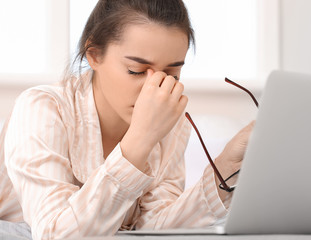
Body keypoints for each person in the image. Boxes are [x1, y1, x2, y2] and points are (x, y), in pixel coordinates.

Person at [0, 0, 254, 239]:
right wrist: (139, 139)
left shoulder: (171, 124)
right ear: (94, 55)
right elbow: (56, 233)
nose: (153, 88)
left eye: (172, 74)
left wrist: (226, 167)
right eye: (136, 71)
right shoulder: (42, 108)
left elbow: (153, 227)